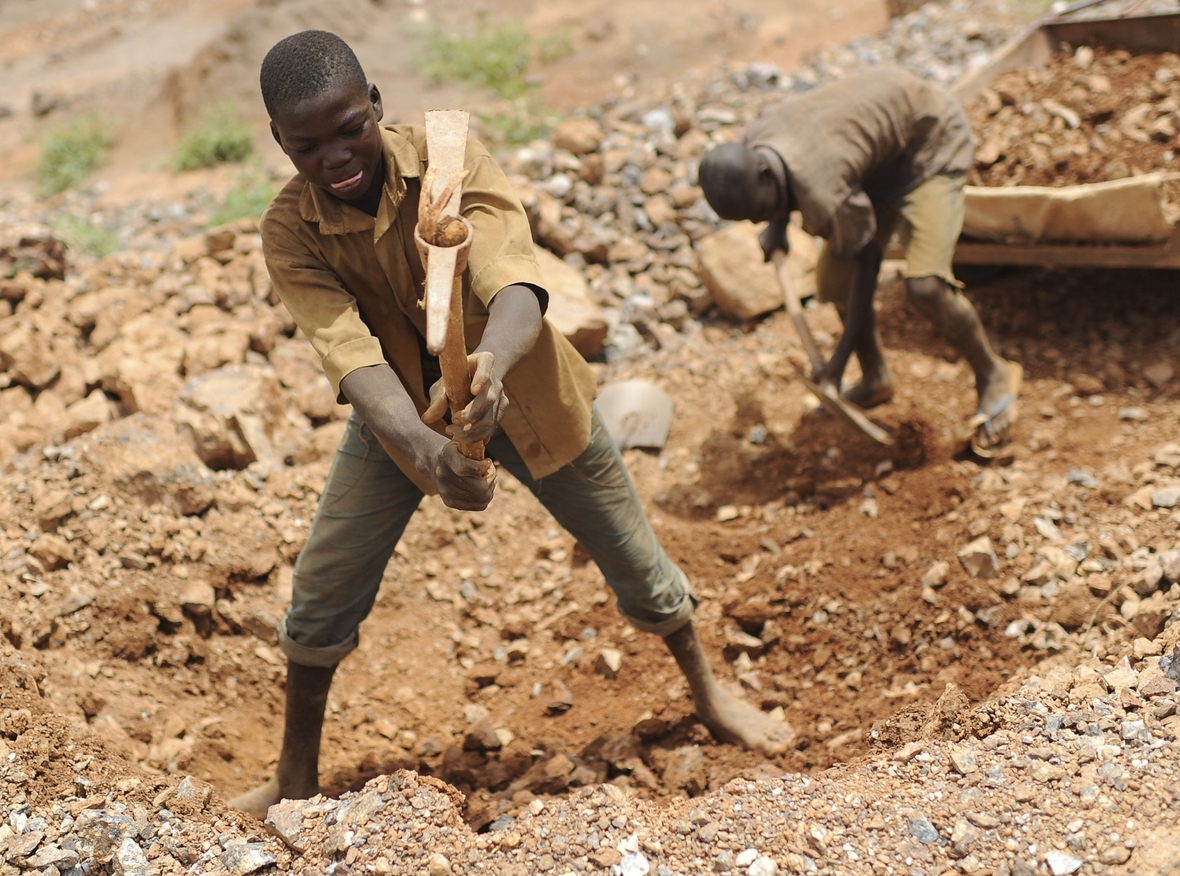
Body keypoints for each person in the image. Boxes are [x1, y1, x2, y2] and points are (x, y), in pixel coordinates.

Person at [229, 30, 793, 817]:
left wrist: (487, 367)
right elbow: (348, 355)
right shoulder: (290, 230)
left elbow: (515, 281)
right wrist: (428, 451)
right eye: (307, 144)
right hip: (399, 416)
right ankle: (295, 772)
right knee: (323, 585)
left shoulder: (449, 159)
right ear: (279, 143)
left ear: (376, 106)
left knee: (634, 556)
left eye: (349, 127)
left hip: (523, 388)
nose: (335, 156)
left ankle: (709, 691)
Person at [698, 67, 1020, 455]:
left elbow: (867, 265)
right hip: (871, 164)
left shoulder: (823, 189)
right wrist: (777, 225)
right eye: (752, 220)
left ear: (766, 177)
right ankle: (875, 378)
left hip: (929, 147)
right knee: (834, 285)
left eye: (760, 212)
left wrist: (837, 359)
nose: (759, 222)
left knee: (925, 287)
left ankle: (993, 375)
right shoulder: (755, 143)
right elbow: (784, 188)